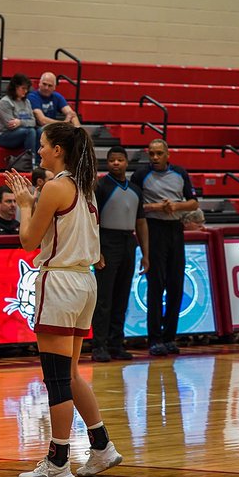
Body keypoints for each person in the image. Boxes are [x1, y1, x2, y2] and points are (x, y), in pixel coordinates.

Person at [4, 122, 124, 477]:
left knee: (56, 377)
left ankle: (58, 462)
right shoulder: (85, 186)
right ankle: (101, 446)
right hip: (84, 281)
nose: (38, 150)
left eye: (42, 145)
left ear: (58, 149)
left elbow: (28, 241)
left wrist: (26, 204)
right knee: (70, 373)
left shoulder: (57, 187)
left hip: (59, 282)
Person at [132, 139, 198, 356]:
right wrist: (157, 207)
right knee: (155, 284)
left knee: (176, 285)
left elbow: (194, 203)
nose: (155, 158)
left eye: (159, 153)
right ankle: (154, 338)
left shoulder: (180, 173)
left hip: (175, 229)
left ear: (168, 154)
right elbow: (133, 205)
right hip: (153, 229)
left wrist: (176, 206)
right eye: (151, 153)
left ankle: (170, 336)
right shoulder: (141, 175)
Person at [92, 146, 148, 363]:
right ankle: (99, 345)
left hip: (128, 242)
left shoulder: (135, 189)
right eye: (112, 160)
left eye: (120, 160)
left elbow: (141, 222)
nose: (116, 163)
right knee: (104, 298)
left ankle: (116, 343)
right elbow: (93, 221)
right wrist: (96, 252)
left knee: (122, 297)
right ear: (107, 162)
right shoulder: (101, 186)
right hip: (107, 241)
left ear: (126, 162)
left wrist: (145, 253)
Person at [0, 73, 39, 170]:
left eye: (27, 89)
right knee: (30, 131)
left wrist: (20, 122)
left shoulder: (26, 102)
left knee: (39, 131)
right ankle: (31, 164)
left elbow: (33, 122)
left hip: (21, 133)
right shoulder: (5, 102)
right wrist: (24, 122)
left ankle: (38, 162)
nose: (25, 91)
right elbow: (10, 124)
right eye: (23, 88)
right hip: (3, 135)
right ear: (15, 87)